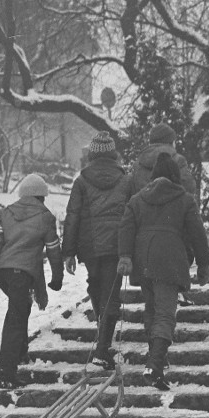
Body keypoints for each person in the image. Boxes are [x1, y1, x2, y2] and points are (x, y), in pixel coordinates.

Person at [117, 152, 209, 391]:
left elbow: (126, 226)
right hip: (169, 260)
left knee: (152, 308)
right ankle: (155, 364)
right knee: (166, 313)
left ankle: (155, 356)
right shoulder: (184, 199)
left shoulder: (138, 199)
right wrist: (203, 264)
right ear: (174, 176)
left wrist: (126, 256)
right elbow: (197, 233)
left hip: (145, 259)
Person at [0, 173, 64, 389]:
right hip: (22, 272)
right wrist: (58, 276)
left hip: (3, 273)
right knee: (16, 319)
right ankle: (5, 374)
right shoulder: (45, 217)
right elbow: (54, 249)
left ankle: (20, 355)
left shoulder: (6, 213)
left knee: (21, 309)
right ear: (40, 197)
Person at [62, 132, 134, 370]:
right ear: (113, 154)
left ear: (92, 154)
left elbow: (72, 217)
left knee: (96, 286)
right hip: (116, 246)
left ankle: (102, 345)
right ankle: (103, 347)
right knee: (110, 293)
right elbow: (132, 215)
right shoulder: (126, 180)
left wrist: (68, 252)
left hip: (90, 247)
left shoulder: (81, 181)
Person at [131, 123, 196, 196]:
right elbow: (189, 187)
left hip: (143, 206)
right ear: (170, 142)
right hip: (172, 206)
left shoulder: (138, 164)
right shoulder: (178, 160)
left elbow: (132, 193)